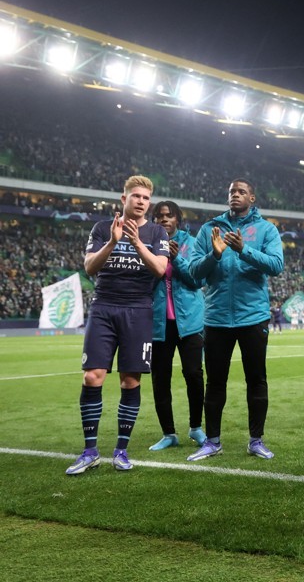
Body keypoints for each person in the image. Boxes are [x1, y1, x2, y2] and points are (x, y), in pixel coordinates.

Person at [66, 175, 169, 475]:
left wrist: (137, 242)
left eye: (146, 198)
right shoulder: (101, 228)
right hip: (104, 307)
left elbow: (161, 269)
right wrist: (114, 240)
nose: (141, 201)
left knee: (130, 381)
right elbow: (89, 267)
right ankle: (89, 451)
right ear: (123, 198)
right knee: (92, 377)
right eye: (135, 196)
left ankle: (121, 450)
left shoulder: (156, 231)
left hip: (138, 309)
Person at [186, 178, 284, 461]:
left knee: (256, 380)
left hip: (253, 317)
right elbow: (194, 272)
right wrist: (214, 255)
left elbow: (277, 265)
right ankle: (213, 441)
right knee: (215, 382)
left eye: (241, 191)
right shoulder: (208, 230)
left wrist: (244, 250)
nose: (235, 195)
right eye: (231, 192)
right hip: (216, 318)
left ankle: (256, 440)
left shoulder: (266, 229)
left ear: (252, 198)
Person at [147, 200, 207, 452]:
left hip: (190, 321)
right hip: (158, 323)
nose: (164, 220)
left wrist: (176, 259)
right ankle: (168, 433)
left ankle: (195, 427)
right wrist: (156, 262)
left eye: (169, 216)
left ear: (177, 220)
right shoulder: (146, 245)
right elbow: (141, 284)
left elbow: (198, 280)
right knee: (160, 378)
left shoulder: (190, 244)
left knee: (194, 374)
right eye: (159, 216)